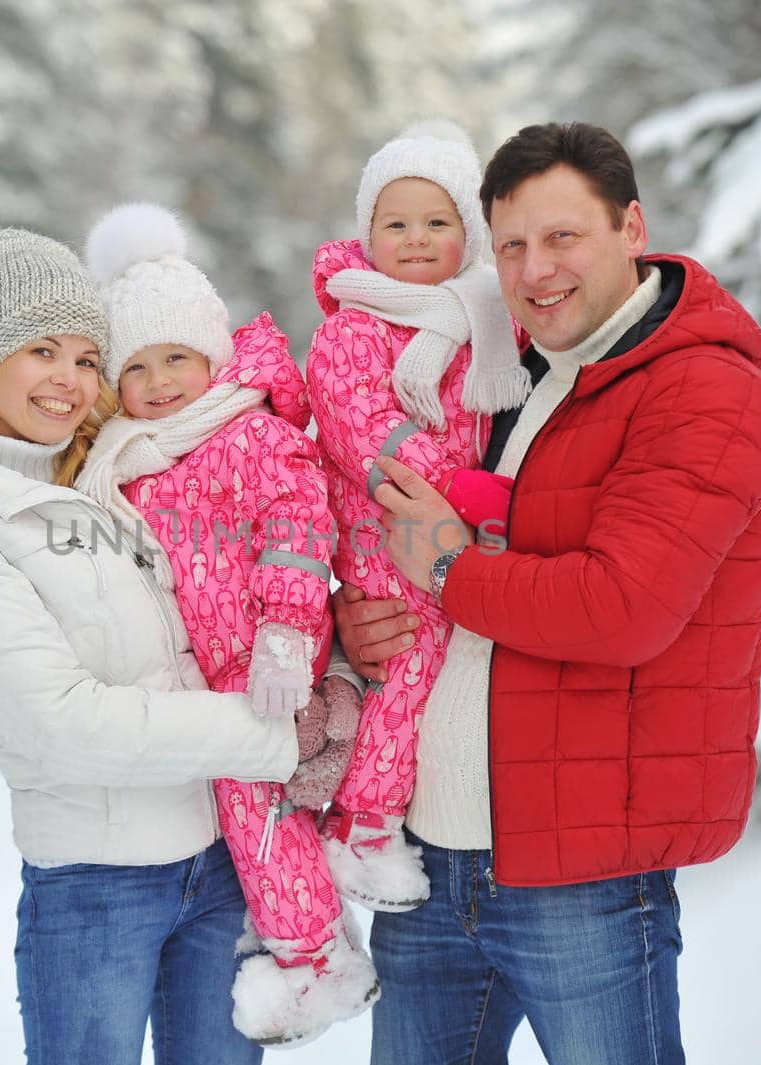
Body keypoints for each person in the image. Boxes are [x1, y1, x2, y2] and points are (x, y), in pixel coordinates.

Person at [339, 122, 761, 1064]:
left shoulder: (704, 393)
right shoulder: (514, 375)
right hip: (431, 858)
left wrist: (444, 568)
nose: (534, 270)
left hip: (579, 881)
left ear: (632, 226)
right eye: (509, 245)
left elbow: (621, 606)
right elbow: (424, 532)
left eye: (562, 237)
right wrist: (361, 618)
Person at [0, 226, 298, 1065]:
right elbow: (65, 722)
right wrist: (279, 736)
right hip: (96, 888)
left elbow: (223, 614)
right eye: (43, 350)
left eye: (86, 358)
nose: (70, 381)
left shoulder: (105, 474)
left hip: (218, 865)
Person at [73, 202, 378, 1048]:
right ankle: (301, 920)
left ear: (211, 354)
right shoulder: (135, 458)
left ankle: (317, 955)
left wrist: (285, 631)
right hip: (212, 677)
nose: (163, 381)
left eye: (178, 357)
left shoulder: (245, 432)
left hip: (265, 662)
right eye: (140, 367)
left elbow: (300, 522)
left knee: (256, 808)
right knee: (258, 814)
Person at [303, 121, 530, 914]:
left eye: (437, 222)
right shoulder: (349, 330)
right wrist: (468, 493)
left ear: (467, 234)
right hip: (382, 531)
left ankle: (375, 815)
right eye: (395, 223)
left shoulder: (483, 321)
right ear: (367, 234)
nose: (416, 239)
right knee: (410, 662)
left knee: (436, 665)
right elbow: (373, 439)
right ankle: (361, 825)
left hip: (450, 535)